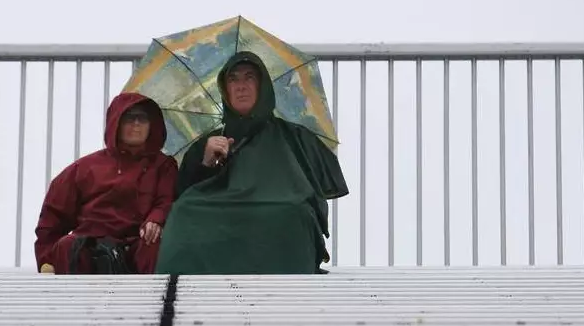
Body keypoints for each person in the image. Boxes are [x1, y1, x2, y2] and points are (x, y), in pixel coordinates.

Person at [155, 51, 349, 275]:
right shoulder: (209, 142)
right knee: (184, 211)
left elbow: (318, 193)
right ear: (225, 90)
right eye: (233, 79)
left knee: (294, 214)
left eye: (249, 77)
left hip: (279, 210)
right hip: (221, 209)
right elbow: (183, 193)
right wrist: (206, 162)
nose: (241, 86)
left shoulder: (294, 136)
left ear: (262, 85)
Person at [34, 92, 177, 274]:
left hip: (139, 243)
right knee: (67, 246)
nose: (136, 124)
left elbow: (167, 200)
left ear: (152, 124)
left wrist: (156, 220)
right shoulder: (84, 168)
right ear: (115, 123)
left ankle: (151, 301)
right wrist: (46, 260)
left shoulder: (164, 166)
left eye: (143, 118)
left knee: (154, 243)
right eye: (128, 118)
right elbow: (52, 217)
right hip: (91, 244)